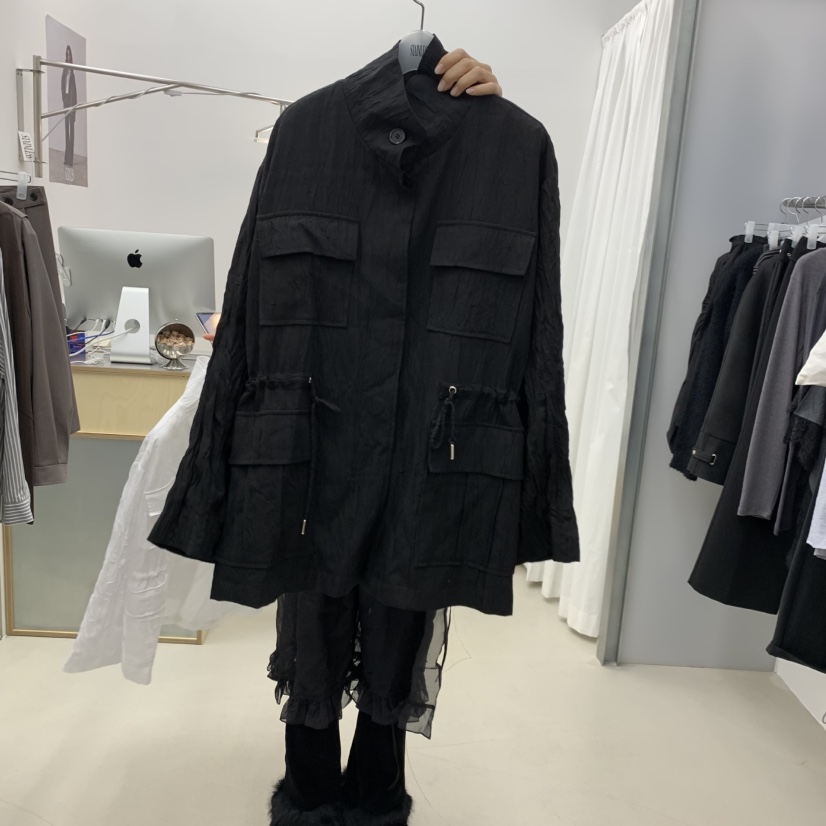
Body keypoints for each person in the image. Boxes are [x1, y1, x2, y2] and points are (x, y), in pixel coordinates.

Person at [203, 49, 503, 826]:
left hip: (425, 425)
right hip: (319, 417)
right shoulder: (307, 134)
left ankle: (375, 793)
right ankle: (308, 789)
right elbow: (257, 288)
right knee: (315, 601)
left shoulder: (495, 146)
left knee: (402, 605)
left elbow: (512, 309)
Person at [61, 45, 77, 183]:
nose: (68, 57)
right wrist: (64, 101)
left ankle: (70, 160)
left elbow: (74, 93)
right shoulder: (65, 71)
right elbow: (63, 87)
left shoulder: (72, 73)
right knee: (66, 132)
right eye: (66, 55)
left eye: (69, 54)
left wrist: (74, 109)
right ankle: (66, 158)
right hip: (66, 104)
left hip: (71, 106)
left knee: (72, 133)